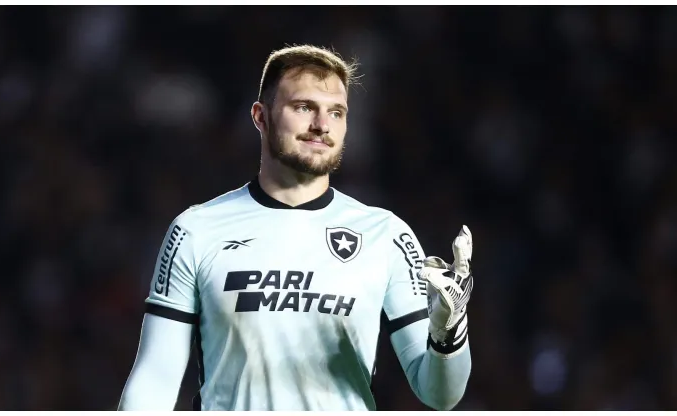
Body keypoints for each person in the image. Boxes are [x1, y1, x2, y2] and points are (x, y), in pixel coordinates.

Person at [117, 44, 473, 411]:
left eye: (336, 112)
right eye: (304, 107)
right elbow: (154, 381)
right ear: (261, 116)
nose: (322, 125)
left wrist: (448, 329)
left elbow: (441, 396)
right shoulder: (196, 230)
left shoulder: (386, 235)